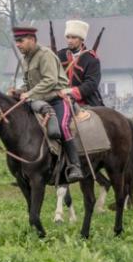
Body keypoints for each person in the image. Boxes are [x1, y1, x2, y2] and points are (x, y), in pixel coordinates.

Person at [9, 26, 84, 182]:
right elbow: (31, 85)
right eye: (16, 41)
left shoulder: (45, 55)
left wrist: (28, 94)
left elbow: (50, 81)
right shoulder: (26, 58)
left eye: (20, 41)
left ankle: (75, 166)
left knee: (62, 127)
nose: (17, 44)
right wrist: (18, 91)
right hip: (38, 100)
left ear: (31, 39)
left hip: (57, 98)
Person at [57, 19, 104, 107]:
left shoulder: (91, 59)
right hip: (60, 99)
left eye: (74, 38)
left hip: (85, 101)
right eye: (68, 37)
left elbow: (91, 84)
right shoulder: (59, 55)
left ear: (82, 39)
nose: (70, 41)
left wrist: (71, 92)